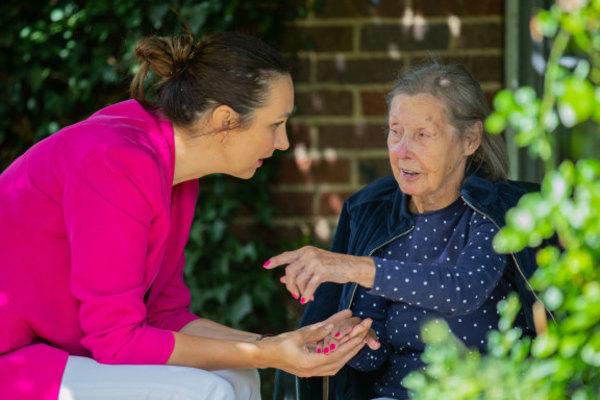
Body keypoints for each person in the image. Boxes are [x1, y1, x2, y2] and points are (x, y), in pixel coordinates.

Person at [0, 31, 374, 400]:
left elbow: (163, 313)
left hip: (49, 349)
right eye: (275, 125)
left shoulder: (173, 171)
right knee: (210, 390)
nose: (283, 143)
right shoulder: (117, 164)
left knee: (240, 377)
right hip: (13, 357)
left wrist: (274, 345)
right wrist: (268, 354)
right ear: (225, 120)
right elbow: (116, 340)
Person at [265, 61, 549, 400]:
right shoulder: (375, 215)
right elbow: (374, 357)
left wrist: (352, 268)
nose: (402, 152)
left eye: (422, 135)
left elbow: (464, 289)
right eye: (395, 131)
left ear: (470, 139)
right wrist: (350, 339)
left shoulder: (492, 211)